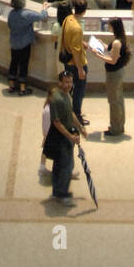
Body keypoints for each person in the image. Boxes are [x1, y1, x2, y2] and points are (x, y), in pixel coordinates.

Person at [42, 70, 86, 203]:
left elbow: (71, 113)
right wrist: (70, 137)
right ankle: (61, 193)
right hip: (60, 136)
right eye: (66, 82)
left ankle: (58, 191)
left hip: (67, 134)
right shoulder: (56, 98)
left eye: (70, 82)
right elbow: (56, 122)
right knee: (64, 165)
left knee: (63, 163)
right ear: (60, 82)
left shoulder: (67, 96)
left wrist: (80, 127)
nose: (68, 85)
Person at [88, 18, 129, 136]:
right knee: (118, 100)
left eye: (109, 26)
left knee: (114, 101)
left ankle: (115, 128)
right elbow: (112, 51)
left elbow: (112, 60)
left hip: (114, 74)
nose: (108, 27)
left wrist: (98, 55)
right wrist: (103, 45)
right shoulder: (119, 40)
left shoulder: (117, 42)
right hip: (118, 73)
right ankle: (119, 126)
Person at [7, 0, 50, 94]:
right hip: (24, 45)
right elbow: (42, 16)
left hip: (13, 43)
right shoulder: (26, 14)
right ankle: (22, 88)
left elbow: (9, 25)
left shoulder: (11, 14)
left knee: (13, 63)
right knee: (23, 65)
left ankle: (11, 86)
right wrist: (44, 8)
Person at [59, 0, 89, 123]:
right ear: (84, 11)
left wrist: (82, 43)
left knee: (69, 88)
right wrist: (81, 69)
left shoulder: (68, 19)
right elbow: (76, 52)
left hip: (67, 60)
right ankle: (76, 115)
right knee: (78, 91)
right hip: (76, 63)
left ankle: (68, 111)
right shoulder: (77, 28)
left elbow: (70, 39)